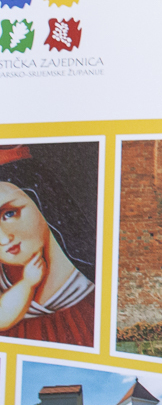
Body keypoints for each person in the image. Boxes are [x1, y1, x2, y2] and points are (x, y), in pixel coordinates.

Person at [0, 142, 97, 347]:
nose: (3, 239)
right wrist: (27, 284)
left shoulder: (94, 289)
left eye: (9, 214)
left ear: (42, 202)